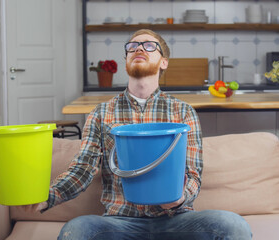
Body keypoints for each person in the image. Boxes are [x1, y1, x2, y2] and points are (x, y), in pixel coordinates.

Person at [20, 29, 252, 240]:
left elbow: (193, 173)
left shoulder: (183, 112)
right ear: (126, 60)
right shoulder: (101, 113)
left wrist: (181, 198)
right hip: (119, 223)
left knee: (232, 226)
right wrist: (48, 196)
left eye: (149, 45)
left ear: (164, 62)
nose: (139, 48)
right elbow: (82, 170)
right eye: (132, 46)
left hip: (175, 221)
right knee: (77, 231)